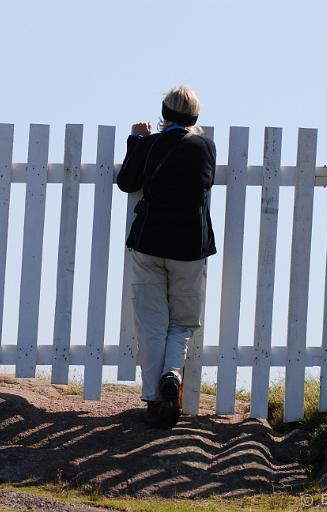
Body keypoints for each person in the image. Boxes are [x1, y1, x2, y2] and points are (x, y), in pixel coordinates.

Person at [116, 86, 216, 429]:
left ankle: (154, 399)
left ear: (164, 112)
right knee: (183, 322)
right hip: (189, 247)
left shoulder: (151, 145)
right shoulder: (204, 147)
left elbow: (127, 182)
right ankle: (173, 374)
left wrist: (136, 141)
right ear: (196, 117)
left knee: (151, 323)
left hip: (149, 244)